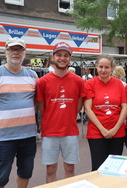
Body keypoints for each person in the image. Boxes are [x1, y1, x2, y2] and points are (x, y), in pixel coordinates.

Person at [0, 37, 38, 188]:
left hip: (29, 135)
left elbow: (36, 102)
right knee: (0, 176)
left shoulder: (33, 76)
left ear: (25, 53)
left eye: (19, 49)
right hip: (5, 137)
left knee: (25, 172)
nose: (16, 52)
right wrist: (1, 117)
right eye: (12, 49)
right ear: (5, 52)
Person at [36, 42, 85, 183]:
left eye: (65, 55)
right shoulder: (43, 82)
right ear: (53, 57)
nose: (62, 58)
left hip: (70, 130)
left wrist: (67, 115)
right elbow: (41, 106)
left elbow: (79, 104)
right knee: (50, 168)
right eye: (59, 55)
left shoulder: (78, 81)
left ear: (70, 58)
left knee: (70, 168)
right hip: (50, 131)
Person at [84, 54, 127, 171]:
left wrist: (115, 128)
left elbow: (124, 107)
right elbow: (88, 108)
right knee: (98, 168)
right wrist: (102, 129)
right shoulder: (89, 84)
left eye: (106, 67)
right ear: (96, 67)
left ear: (112, 68)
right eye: (101, 67)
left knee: (115, 167)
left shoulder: (119, 84)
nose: (103, 70)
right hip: (96, 132)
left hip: (117, 132)